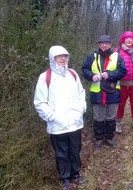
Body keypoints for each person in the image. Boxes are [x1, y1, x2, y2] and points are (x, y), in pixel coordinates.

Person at [34, 45, 87, 190]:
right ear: (53, 59)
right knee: (61, 152)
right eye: (59, 56)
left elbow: (81, 92)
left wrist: (81, 107)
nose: (63, 59)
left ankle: (76, 174)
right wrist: (52, 116)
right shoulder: (45, 77)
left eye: (65, 56)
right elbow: (40, 102)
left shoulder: (73, 74)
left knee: (75, 149)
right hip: (57, 125)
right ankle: (65, 178)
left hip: (75, 122)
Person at [82, 35, 127, 148]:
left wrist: (110, 75)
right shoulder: (92, 56)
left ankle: (109, 137)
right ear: (98, 44)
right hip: (97, 92)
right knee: (98, 117)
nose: (104, 45)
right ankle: (99, 138)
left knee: (111, 116)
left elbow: (123, 71)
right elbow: (84, 69)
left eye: (107, 43)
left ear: (111, 44)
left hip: (112, 91)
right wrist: (92, 76)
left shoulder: (117, 56)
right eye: (102, 43)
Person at [115, 31, 133, 133]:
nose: (129, 40)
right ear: (123, 40)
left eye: (131, 38)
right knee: (120, 104)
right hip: (121, 84)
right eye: (127, 38)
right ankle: (118, 123)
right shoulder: (117, 51)